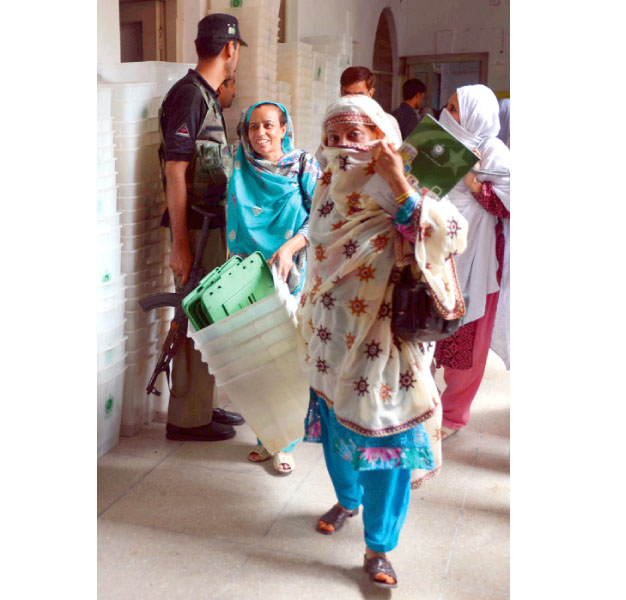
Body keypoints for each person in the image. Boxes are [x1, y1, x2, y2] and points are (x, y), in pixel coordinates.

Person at [296, 95, 468, 588]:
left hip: (384, 341)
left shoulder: (405, 184)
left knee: (383, 439)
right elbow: (321, 250)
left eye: (356, 135)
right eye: (334, 137)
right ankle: (348, 501)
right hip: (331, 339)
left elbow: (451, 233)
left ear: (384, 140)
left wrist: (397, 184)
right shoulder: (326, 186)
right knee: (336, 431)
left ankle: (379, 545)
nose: (343, 147)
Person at [158, 13, 247, 442]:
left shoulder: (206, 96)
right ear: (230, 49)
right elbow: (175, 172)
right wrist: (180, 244)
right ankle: (185, 420)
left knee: (208, 321)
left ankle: (201, 406)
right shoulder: (189, 96)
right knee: (194, 319)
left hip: (211, 226)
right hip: (194, 228)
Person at [225, 101, 321, 473]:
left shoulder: (303, 165)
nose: (260, 134)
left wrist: (289, 247)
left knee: (287, 359)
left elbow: (322, 217)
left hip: (290, 274)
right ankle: (266, 437)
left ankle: (286, 443)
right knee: (256, 361)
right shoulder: (240, 165)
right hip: (246, 275)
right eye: (252, 127)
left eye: (268, 126)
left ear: (284, 128)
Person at [432, 84, 511, 439]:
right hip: (435, 254)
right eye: (447, 106)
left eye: (457, 108)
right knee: (426, 330)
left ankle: (453, 415)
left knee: (467, 341)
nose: (449, 113)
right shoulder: (435, 139)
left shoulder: (494, 151)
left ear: (477, 112)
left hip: (476, 261)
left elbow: (511, 203)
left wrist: (472, 179)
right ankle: (423, 402)